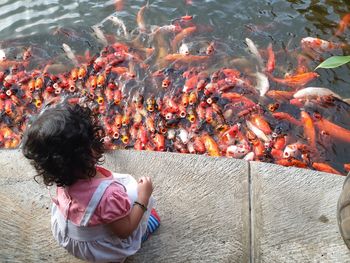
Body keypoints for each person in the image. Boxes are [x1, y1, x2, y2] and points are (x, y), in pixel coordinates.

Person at [22, 102, 160, 262]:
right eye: (92, 141)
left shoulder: (61, 173)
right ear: (87, 152)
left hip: (69, 236)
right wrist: (143, 197)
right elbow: (125, 231)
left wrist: (95, 148)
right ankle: (141, 234)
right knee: (136, 192)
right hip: (98, 249)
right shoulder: (108, 196)